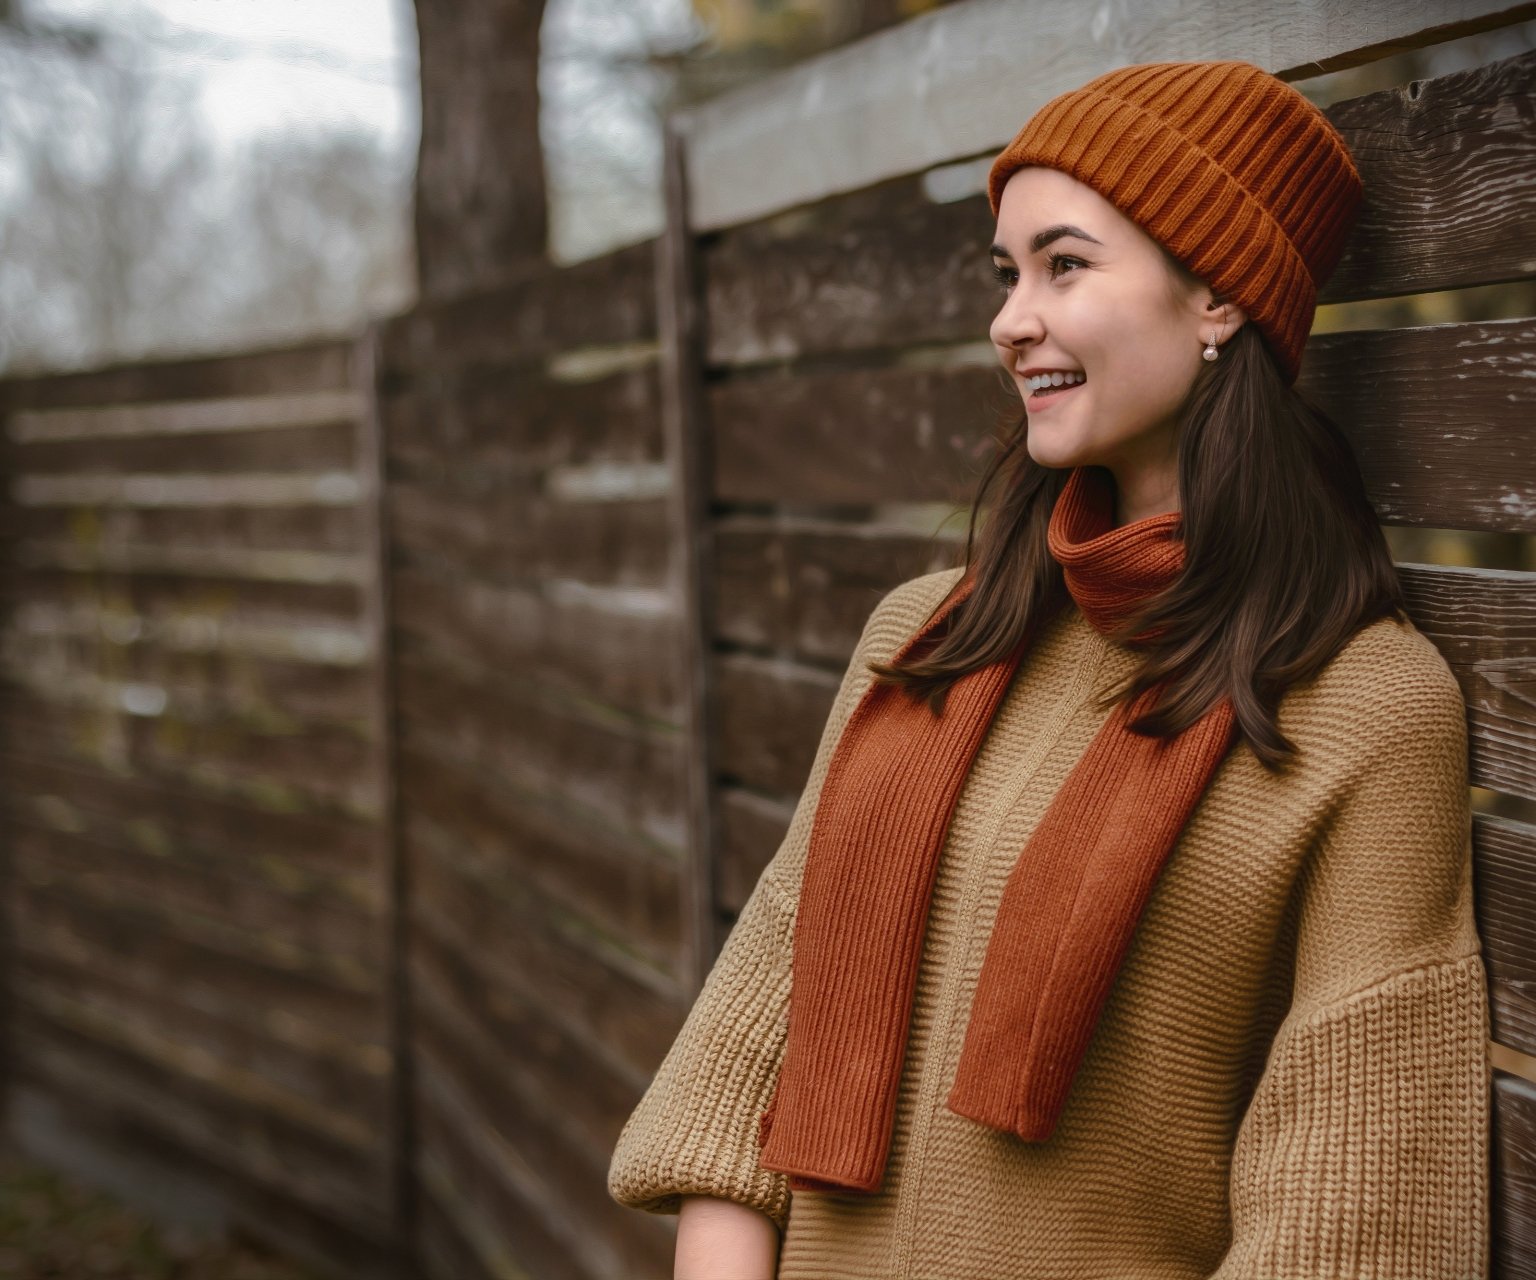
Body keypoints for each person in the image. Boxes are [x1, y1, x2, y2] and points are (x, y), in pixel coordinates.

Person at [608, 60, 1491, 1280]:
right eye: (1007, 271)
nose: (1010, 317)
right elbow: (746, 1056)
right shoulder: (924, 640)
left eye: (1064, 265)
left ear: (1218, 300)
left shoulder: (1365, 709)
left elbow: (1354, 1211)